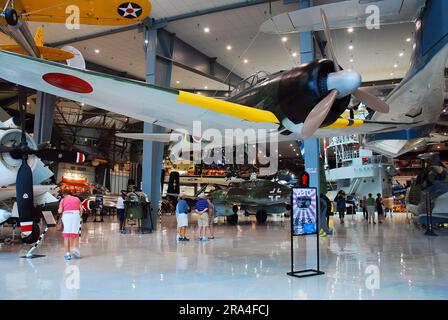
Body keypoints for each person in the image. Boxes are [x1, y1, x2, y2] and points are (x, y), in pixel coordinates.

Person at [58, 190, 84, 261]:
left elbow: (60, 211)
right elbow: (81, 210)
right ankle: (75, 249)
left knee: (66, 235)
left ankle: (67, 254)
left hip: (67, 216)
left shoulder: (63, 200)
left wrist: (59, 210)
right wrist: (79, 215)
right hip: (76, 216)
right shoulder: (77, 199)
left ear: (64, 195)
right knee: (75, 233)